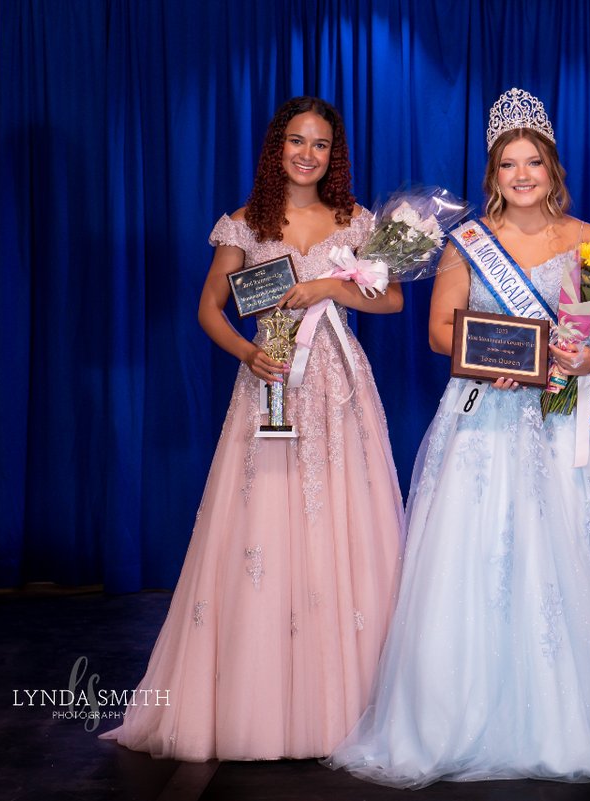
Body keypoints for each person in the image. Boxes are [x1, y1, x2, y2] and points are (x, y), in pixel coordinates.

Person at [326, 88, 590, 787]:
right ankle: (461, 718)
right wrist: (494, 358)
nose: (523, 174)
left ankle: (588, 718)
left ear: (553, 167)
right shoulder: (467, 240)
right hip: (485, 420)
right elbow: (443, 331)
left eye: (534, 161)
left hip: (563, 425)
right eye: (509, 163)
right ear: (492, 173)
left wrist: (582, 357)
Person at [102, 96, 404, 761]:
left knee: (344, 526)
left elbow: (394, 298)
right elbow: (211, 309)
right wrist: (247, 353)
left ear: (335, 154)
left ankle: (353, 704)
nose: (308, 153)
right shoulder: (246, 223)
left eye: (321, 144)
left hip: (339, 392)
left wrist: (326, 288)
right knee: (264, 526)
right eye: (296, 141)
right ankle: (259, 701)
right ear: (276, 148)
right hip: (269, 386)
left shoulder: (357, 220)